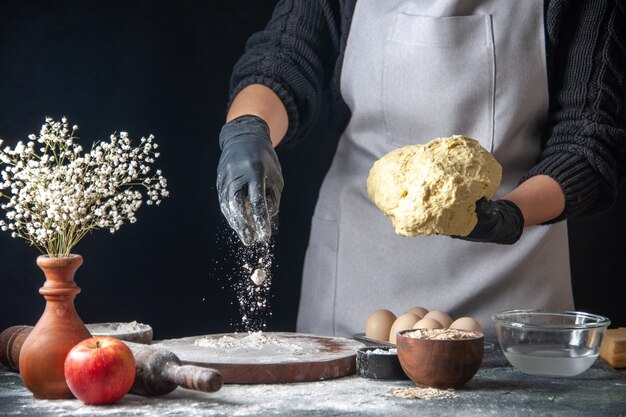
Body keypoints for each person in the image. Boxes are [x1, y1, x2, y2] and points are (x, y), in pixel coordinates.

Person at [216, 0, 625, 338]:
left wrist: (513, 215)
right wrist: (250, 129)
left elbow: (589, 136)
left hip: (513, 289)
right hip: (362, 279)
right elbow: (284, 55)